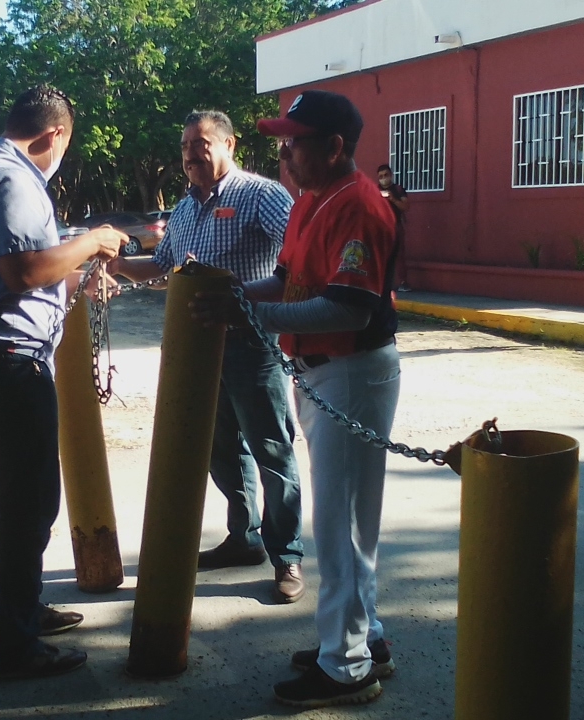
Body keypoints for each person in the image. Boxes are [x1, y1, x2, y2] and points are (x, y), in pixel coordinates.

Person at [193, 91, 401, 708]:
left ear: (334, 147)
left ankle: (346, 665)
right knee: (346, 520)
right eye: (282, 141)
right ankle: (362, 638)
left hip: (353, 369)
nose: (284, 152)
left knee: (340, 526)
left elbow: (348, 303)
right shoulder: (312, 199)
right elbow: (286, 279)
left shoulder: (359, 203)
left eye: (295, 141)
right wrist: (238, 294)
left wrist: (254, 308)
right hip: (323, 369)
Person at [0, 86, 127, 679]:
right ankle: (14, 643)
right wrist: (93, 240)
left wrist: (77, 279)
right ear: (52, 136)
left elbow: (27, 275)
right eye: (64, 147)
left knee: (18, 498)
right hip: (4, 363)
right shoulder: (13, 178)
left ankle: (20, 611)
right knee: (29, 502)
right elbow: (20, 272)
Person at [110, 110, 306, 603]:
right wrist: (111, 261)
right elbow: (161, 267)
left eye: (200, 144)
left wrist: (245, 295)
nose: (191, 156)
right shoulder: (184, 209)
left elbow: (296, 258)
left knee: (271, 449)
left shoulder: (261, 195)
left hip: (250, 345)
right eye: (184, 148)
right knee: (221, 449)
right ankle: (244, 538)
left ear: (229, 145)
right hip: (197, 351)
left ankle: (288, 557)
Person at [375, 164, 410, 291]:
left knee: (399, 254)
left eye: (386, 175)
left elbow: (406, 207)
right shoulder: (374, 190)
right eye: (381, 176)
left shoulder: (398, 190)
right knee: (379, 255)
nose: (383, 178)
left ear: (391, 175)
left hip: (396, 225)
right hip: (380, 227)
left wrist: (393, 199)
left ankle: (403, 282)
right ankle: (379, 283)